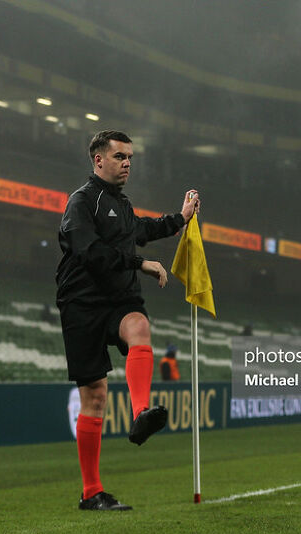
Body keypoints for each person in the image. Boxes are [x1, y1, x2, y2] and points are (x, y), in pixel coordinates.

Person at [56, 130, 200, 511]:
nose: (127, 163)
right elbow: (90, 253)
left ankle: (140, 414)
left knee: (139, 326)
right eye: (120, 156)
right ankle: (91, 493)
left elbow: (142, 230)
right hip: (82, 304)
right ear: (98, 160)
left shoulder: (121, 205)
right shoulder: (82, 202)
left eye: (130, 157)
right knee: (95, 397)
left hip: (118, 297)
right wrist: (140, 263)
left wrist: (180, 219)